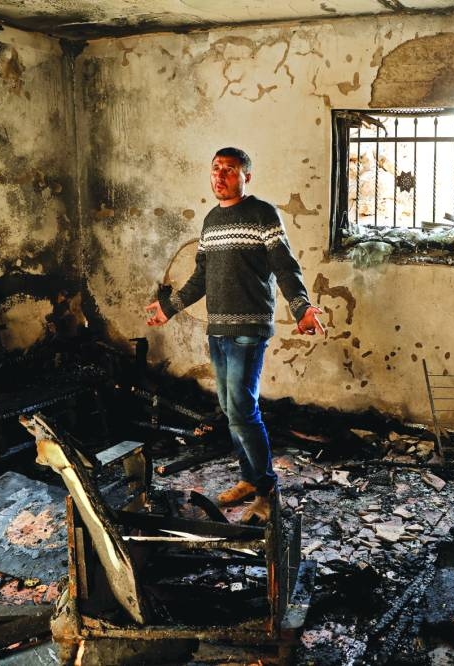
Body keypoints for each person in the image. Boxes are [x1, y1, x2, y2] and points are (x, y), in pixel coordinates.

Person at [145, 147, 326, 525]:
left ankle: (267, 491)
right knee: (231, 409)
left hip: (250, 329)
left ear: (247, 176)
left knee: (242, 408)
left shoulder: (263, 214)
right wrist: (169, 308)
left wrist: (301, 308)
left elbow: (285, 267)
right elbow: (201, 278)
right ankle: (249, 478)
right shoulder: (211, 221)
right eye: (216, 168)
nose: (220, 175)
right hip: (219, 329)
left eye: (230, 169)